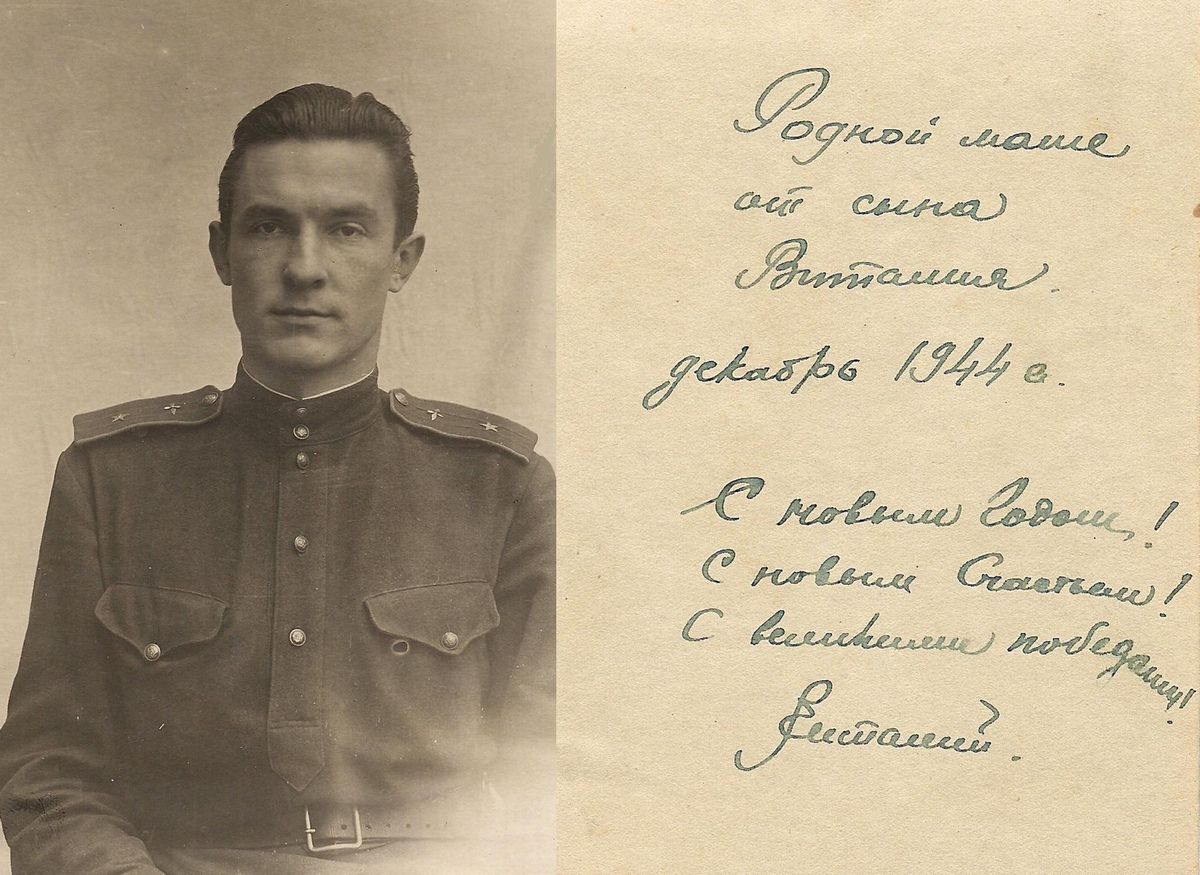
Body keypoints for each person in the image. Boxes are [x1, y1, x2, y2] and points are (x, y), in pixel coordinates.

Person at [0, 84, 555, 875]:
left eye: (347, 229)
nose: (304, 268)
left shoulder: (501, 488)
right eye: (269, 226)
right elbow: (47, 767)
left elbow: (553, 775)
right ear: (222, 252)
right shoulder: (110, 478)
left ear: (402, 260)